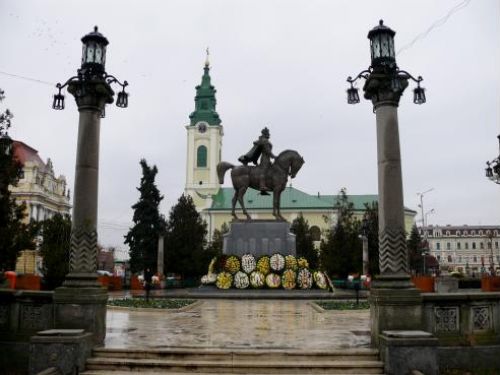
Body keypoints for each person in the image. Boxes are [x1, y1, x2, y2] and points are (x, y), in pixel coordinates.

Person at [238, 127, 276, 195]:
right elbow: (268, 151)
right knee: (264, 171)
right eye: (268, 133)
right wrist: (275, 156)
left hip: (267, 159)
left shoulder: (264, 140)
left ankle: (267, 186)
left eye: (269, 133)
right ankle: (262, 186)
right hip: (265, 160)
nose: (269, 135)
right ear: (265, 134)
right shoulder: (264, 141)